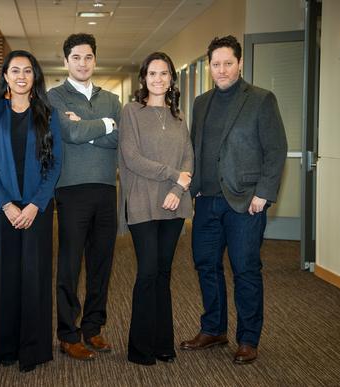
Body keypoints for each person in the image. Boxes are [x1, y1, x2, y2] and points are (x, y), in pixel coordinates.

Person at [180, 35, 287, 364]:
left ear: (240, 64)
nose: (222, 70)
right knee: (206, 266)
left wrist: (264, 193)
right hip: (208, 200)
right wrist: (193, 185)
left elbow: (275, 149)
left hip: (245, 202)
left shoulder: (260, 99)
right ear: (209, 66)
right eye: (216, 64)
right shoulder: (201, 102)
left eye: (228, 63)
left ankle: (248, 338)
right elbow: (198, 148)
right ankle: (213, 328)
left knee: (245, 270)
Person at [0, 50, 62, 373]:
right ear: (5, 76)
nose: (22, 76)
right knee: (5, 276)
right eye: (15, 70)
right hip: (3, 208)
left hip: (37, 209)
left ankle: (34, 349)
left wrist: (34, 206)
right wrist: (7, 205)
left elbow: (54, 165)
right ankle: (5, 348)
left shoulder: (48, 113)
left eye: (28, 70)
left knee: (35, 276)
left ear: (35, 77)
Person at [47, 33, 121, 361]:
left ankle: (93, 328)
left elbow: (120, 139)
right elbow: (70, 132)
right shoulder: (54, 97)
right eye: (76, 57)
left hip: (106, 189)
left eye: (88, 57)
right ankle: (67, 333)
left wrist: (91, 130)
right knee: (70, 264)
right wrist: (103, 126)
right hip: (72, 190)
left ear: (95, 60)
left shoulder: (111, 99)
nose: (82, 63)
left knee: (101, 264)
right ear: (66, 61)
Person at [118, 52, 193, 366]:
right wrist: (172, 175)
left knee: (163, 274)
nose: (159, 79)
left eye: (164, 74)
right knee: (147, 272)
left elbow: (189, 158)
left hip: (174, 205)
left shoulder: (178, 117)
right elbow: (132, 158)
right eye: (152, 74)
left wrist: (177, 188)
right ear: (144, 79)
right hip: (143, 203)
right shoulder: (132, 112)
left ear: (172, 79)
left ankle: (164, 344)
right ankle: (139, 347)